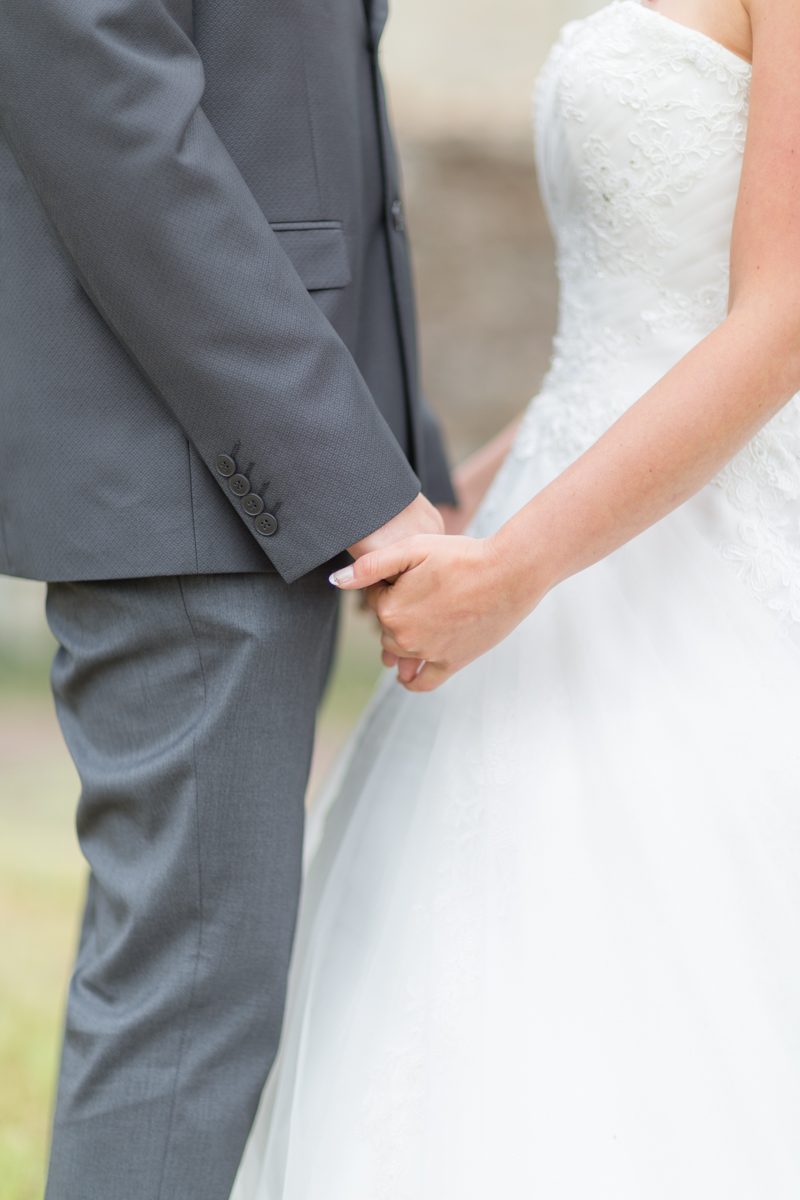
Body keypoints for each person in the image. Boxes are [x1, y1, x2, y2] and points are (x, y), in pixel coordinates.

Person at [231, 0, 800, 1196]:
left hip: (705, 566)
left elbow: (780, 321)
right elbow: (609, 349)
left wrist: (517, 566)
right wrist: (449, 512)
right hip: (563, 513)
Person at [0, 1, 455, 1197]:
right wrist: (339, 478)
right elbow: (104, 100)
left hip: (260, 461)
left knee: (214, 996)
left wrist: (400, 461)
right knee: (187, 1005)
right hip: (191, 475)